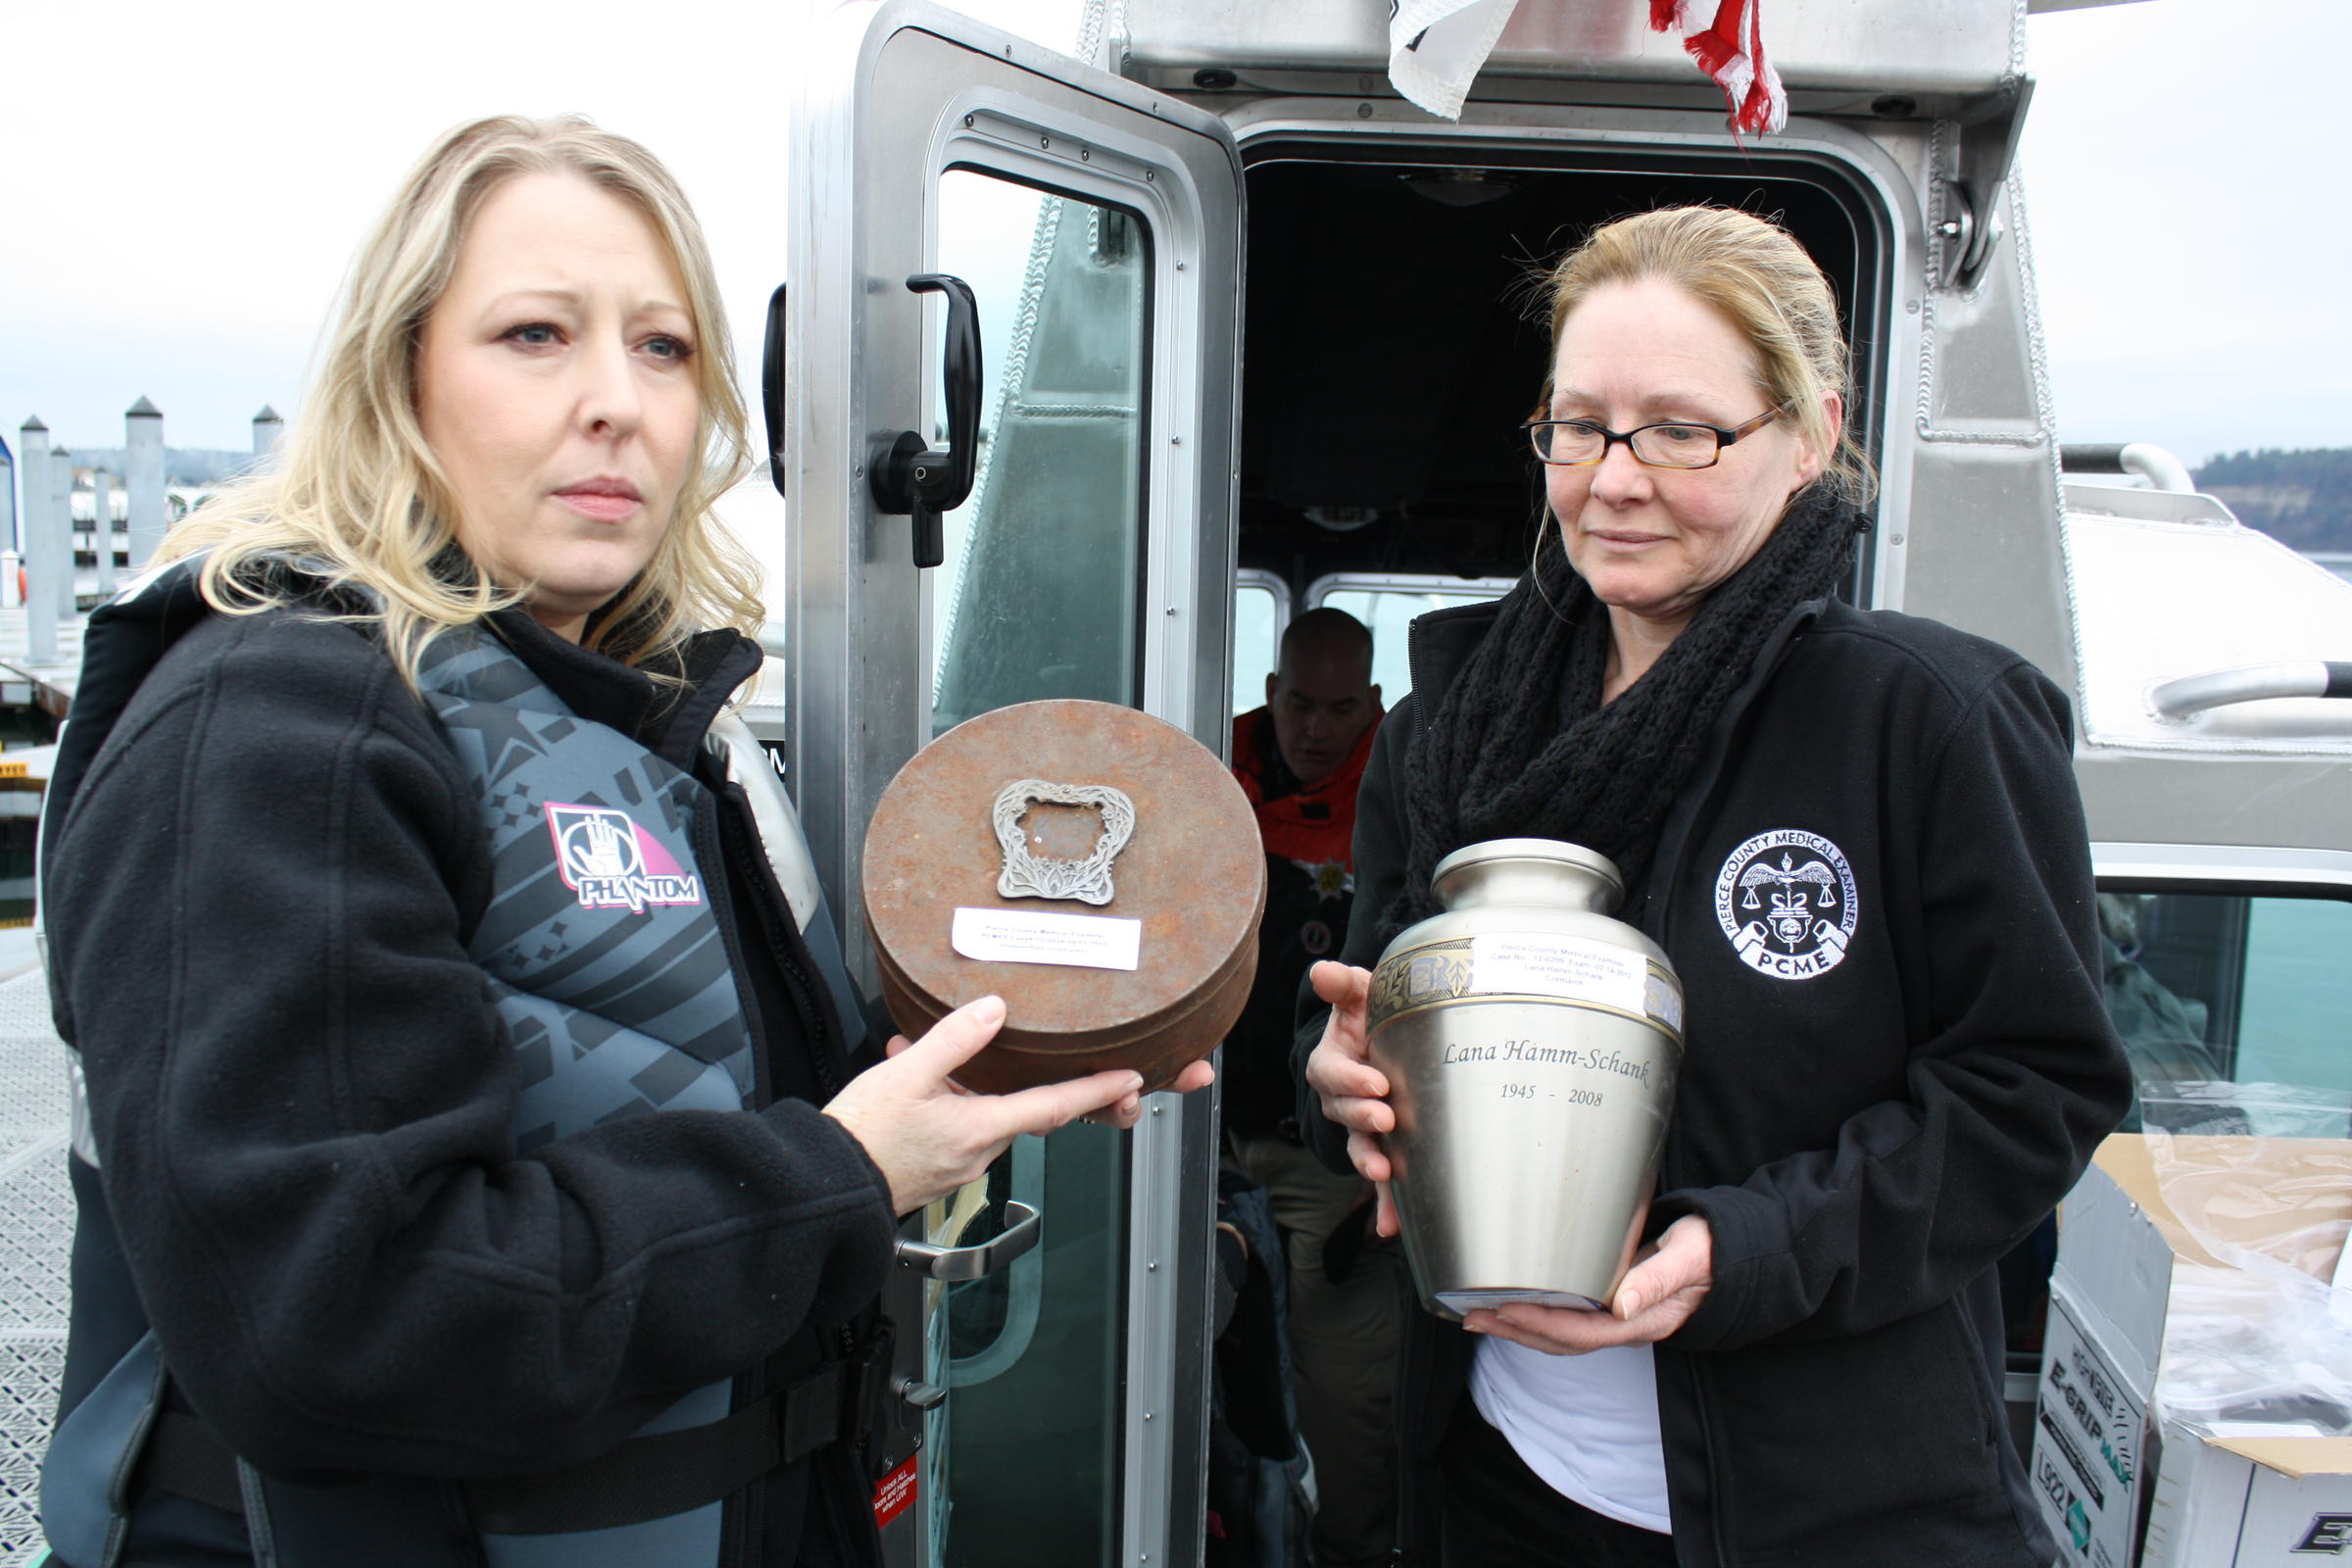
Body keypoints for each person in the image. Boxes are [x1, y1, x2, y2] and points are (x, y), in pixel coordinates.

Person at [36, 115, 1207, 1568]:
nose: (618, 404)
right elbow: (331, 1318)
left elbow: (688, 1084)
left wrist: (1003, 1068)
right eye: (535, 334)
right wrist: (841, 1173)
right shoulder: (283, 733)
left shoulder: (656, 731)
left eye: (663, 349)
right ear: (400, 375)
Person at [1295, 207, 2132, 1566]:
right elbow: (1366, 1009)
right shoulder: (1453, 727)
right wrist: (1349, 1084)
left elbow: (2033, 1091)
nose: (1614, 479)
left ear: (1808, 436)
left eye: (1683, 431)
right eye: (1579, 425)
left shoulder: (1931, 722)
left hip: (1831, 1510)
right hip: (1501, 1476)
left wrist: (1738, 1253)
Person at [1226, 608, 1401, 1567]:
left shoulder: (1404, 791)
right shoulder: (1212, 781)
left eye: (1341, 707)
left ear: (1371, 704)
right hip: (1200, 1130)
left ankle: (1352, 1551)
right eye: (1300, 703)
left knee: (1347, 1388)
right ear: (1270, 696)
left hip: (1323, 1158)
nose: (1318, 727)